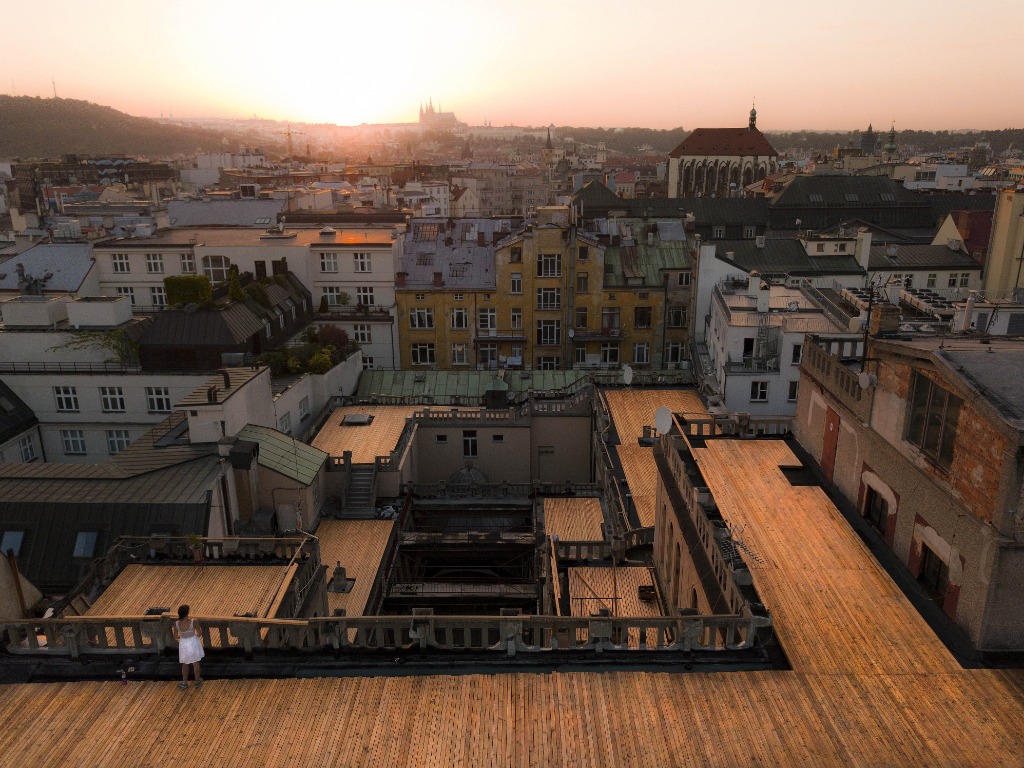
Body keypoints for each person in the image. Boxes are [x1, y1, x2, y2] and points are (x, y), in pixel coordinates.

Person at [171, 604, 204, 689]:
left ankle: (184, 682)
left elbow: (175, 636)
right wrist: (194, 636)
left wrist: (182, 637)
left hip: (183, 643)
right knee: (195, 662)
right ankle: (197, 681)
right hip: (193, 642)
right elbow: (199, 633)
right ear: (187, 613)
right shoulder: (194, 621)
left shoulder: (176, 623)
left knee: (185, 663)